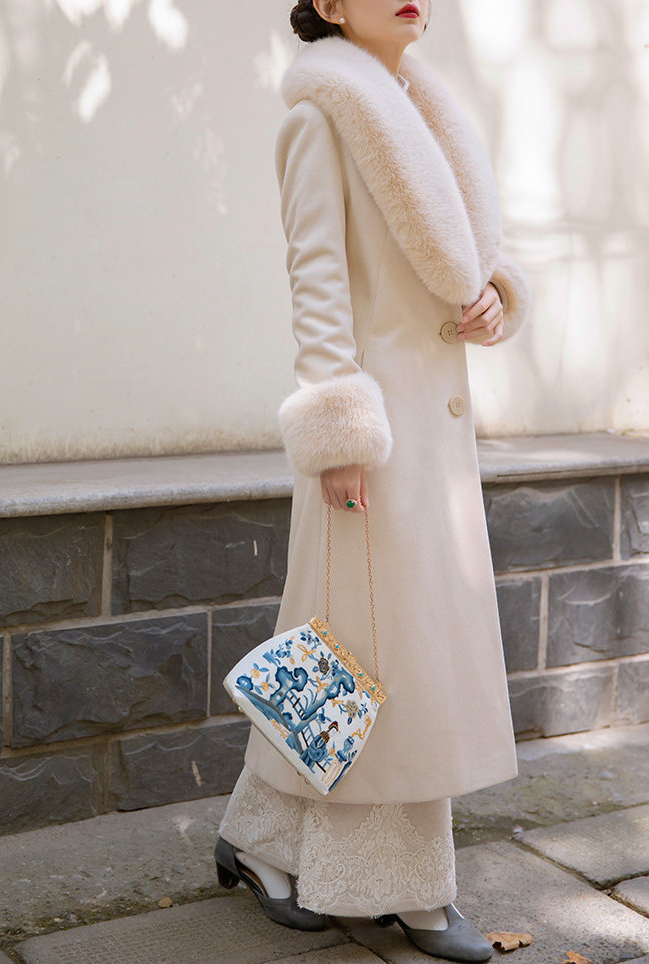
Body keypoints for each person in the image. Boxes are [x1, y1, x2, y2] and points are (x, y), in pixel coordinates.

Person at [215, 1, 531, 960]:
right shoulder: (321, 118)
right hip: (376, 440)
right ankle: (405, 890)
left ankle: (259, 838)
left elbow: (468, 261)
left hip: (434, 437)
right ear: (330, 3)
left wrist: (495, 296)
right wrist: (339, 430)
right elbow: (316, 285)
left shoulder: (427, 112)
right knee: (384, 658)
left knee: (349, 645)